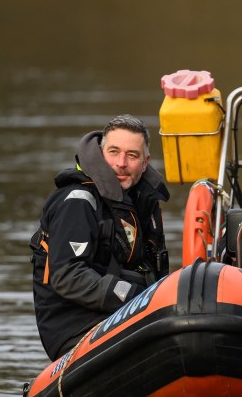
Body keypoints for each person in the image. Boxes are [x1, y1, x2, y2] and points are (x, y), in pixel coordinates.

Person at [29, 114, 170, 360]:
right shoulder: (76, 202)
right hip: (77, 328)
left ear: (145, 163)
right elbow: (68, 275)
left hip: (125, 316)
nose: (121, 163)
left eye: (132, 155)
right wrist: (136, 297)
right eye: (114, 152)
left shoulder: (144, 205)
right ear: (101, 153)